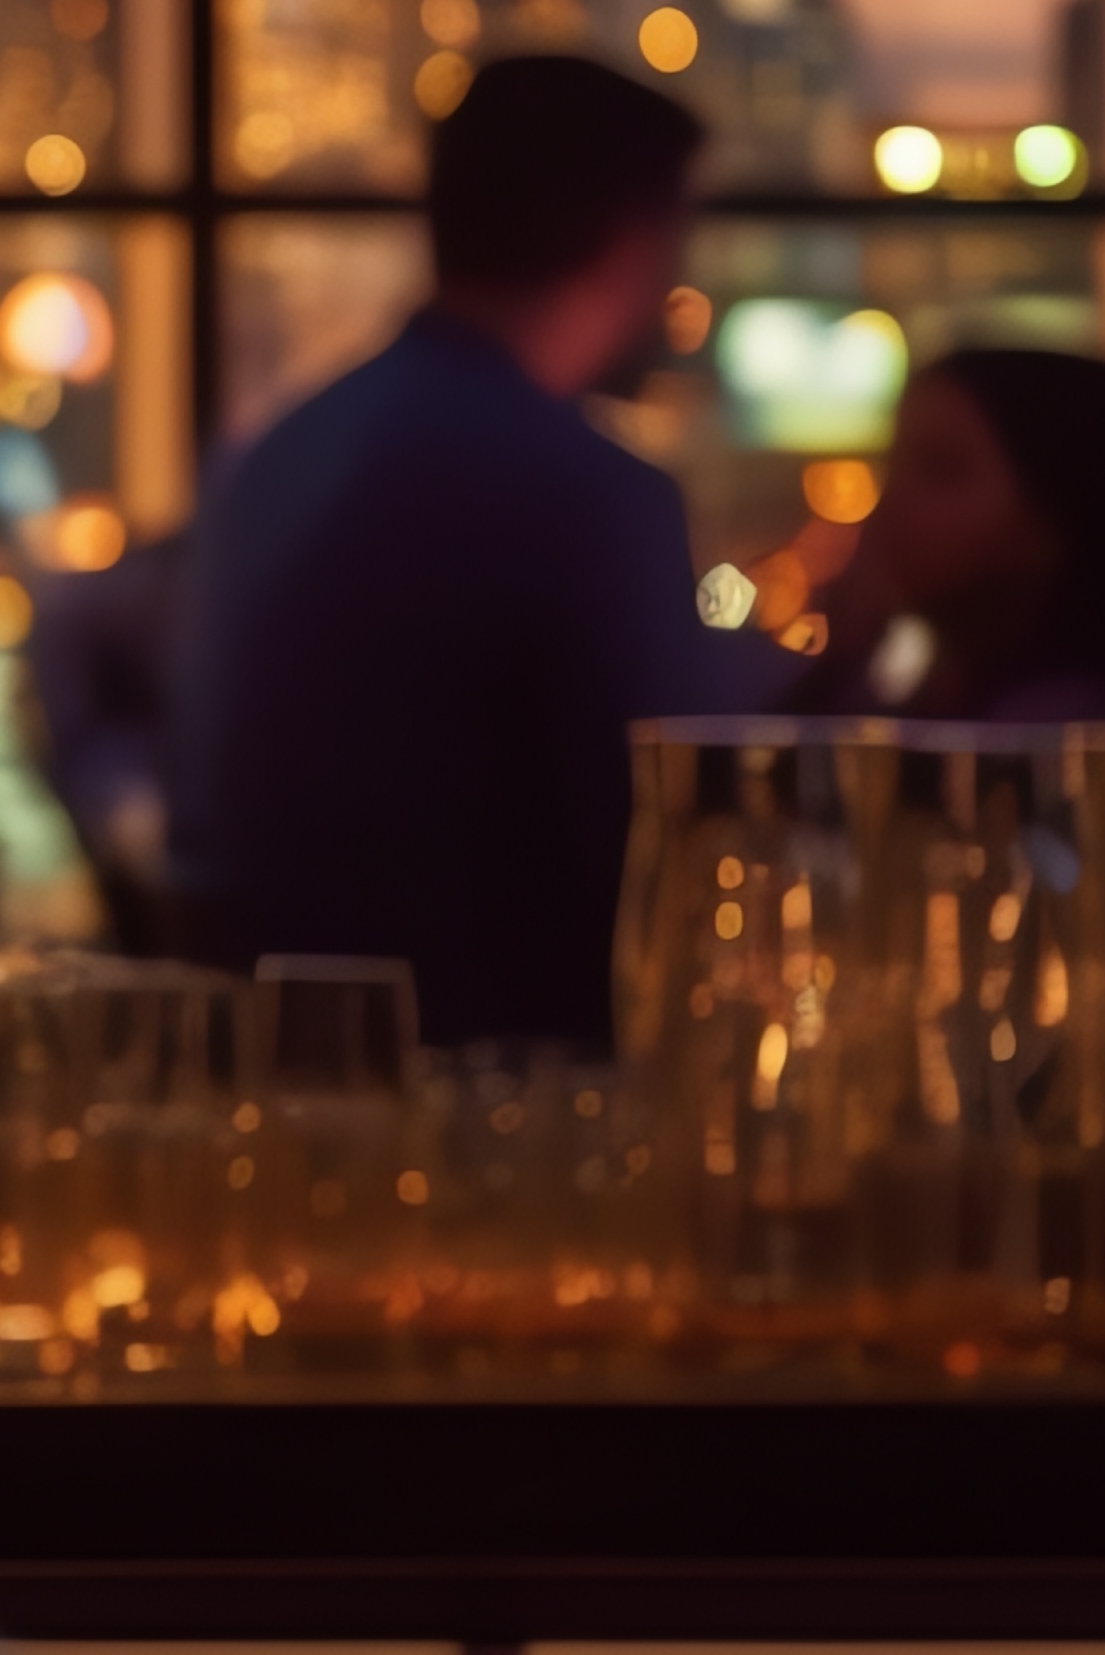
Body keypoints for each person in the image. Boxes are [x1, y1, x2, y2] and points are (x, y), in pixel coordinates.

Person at [172, 53, 750, 1045]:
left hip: (286, 1076)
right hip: (505, 1102)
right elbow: (675, 851)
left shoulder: (281, 454)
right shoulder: (586, 495)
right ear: (633, 243)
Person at [793, 348, 1105, 724]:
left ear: (1057, 520)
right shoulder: (910, 696)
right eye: (893, 465)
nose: (891, 503)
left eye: (940, 468)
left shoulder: (1067, 739)